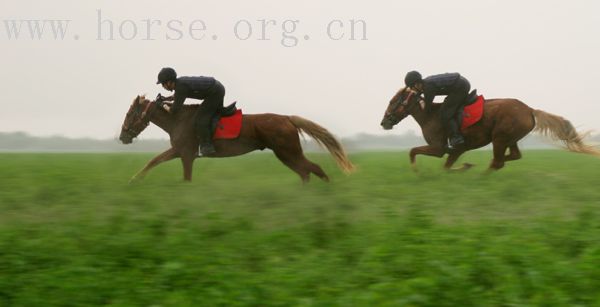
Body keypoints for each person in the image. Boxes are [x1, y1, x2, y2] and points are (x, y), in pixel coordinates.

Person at [156, 67, 225, 156]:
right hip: (216, 88)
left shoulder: (180, 87)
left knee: (200, 117)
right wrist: (165, 99)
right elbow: (176, 96)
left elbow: (173, 111)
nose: (163, 87)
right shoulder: (179, 84)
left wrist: (162, 104)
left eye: (163, 84)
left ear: (169, 82)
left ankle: (207, 147)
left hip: (216, 92)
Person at [405, 71, 471, 149]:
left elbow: (428, 108)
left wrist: (423, 105)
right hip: (460, 84)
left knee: (444, 113)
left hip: (461, 87)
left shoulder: (428, 88)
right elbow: (420, 96)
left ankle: (456, 138)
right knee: (445, 107)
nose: (413, 90)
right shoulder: (425, 84)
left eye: (412, 87)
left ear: (416, 84)